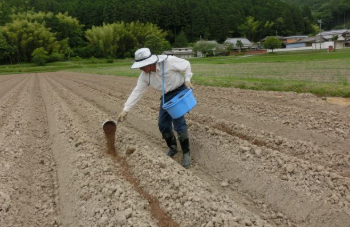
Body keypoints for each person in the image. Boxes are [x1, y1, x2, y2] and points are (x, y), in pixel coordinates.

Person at [117, 47, 194, 168]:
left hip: (179, 90)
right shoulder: (145, 76)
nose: (141, 68)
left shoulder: (169, 62)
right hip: (166, 96)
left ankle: (186, 153)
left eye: (142, 66)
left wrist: (187, 79)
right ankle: (173, 147)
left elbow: (186, 64)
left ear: (150, 62)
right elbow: (137, 92)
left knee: (178, 122)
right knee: (162, 124)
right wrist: (125, 109)